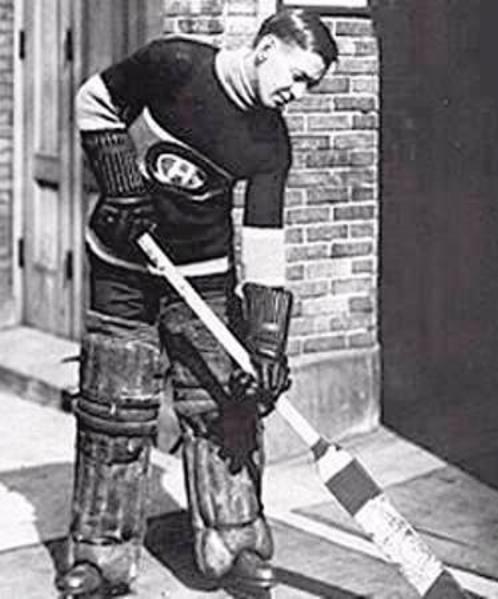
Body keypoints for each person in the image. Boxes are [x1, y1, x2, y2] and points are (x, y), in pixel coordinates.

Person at [56, 9, 338, 597]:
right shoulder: (176, 64)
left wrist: (264, 345)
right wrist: (120, 182)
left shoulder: (270, 142)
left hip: (204, 276)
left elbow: (264, 242)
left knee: (223, 406)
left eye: (312, 84)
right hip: (122, 264)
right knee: (116, 409)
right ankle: (98, 556)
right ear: (265, 48)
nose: (300, 92)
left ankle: (235, 540)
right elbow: (93, 101)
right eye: (299, 75)